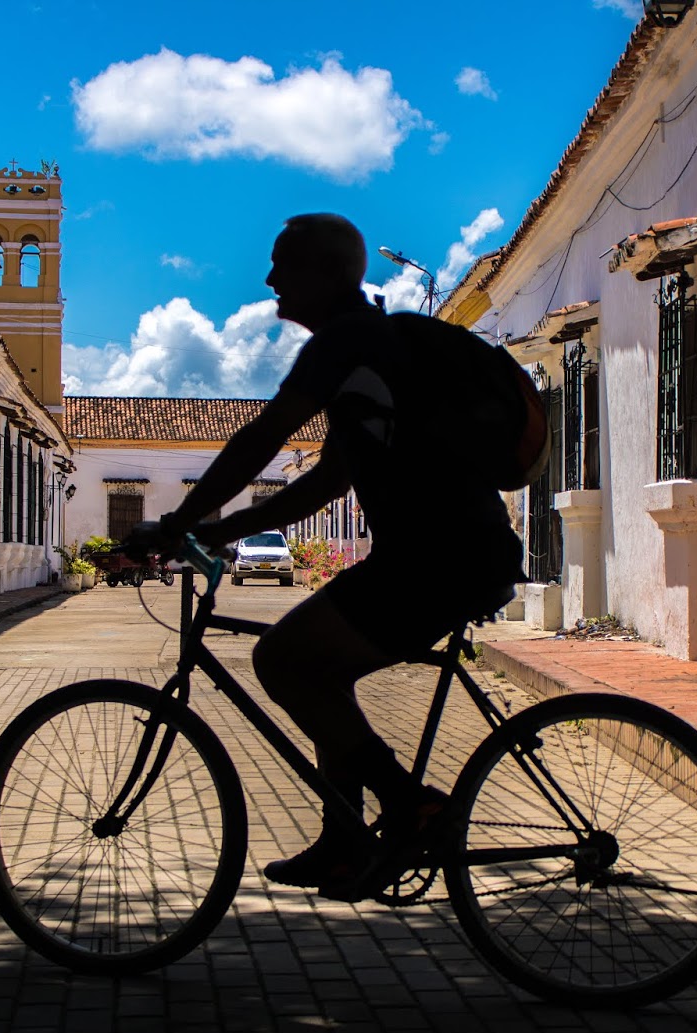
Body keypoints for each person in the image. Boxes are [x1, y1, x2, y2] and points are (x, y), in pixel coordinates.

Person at [132, 213, 522, 891]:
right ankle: (344, 844)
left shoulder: (345, 341)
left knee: (282, 659)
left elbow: (263, 438)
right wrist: (211, 534)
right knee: (317, 669)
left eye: (285, 263)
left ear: (328, 272)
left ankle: (410, 805)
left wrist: (177, 520)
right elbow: (321, 485)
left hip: (441, 560)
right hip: (444, 555)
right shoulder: (370, 352)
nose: (270, 277)